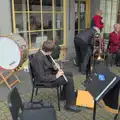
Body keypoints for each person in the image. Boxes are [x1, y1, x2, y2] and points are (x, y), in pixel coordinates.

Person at [31, 40, 81, 112]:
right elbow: (41, 77)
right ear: (49, 51)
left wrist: (54, 67)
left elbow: (47, 65)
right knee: (69, 80)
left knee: (69, 74)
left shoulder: (44, 53)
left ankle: (64, 96)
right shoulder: (38, 58)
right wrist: (56, 76)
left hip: (49, 74)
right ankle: (69, 105)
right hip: (45, 80)